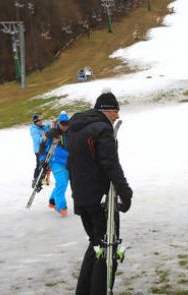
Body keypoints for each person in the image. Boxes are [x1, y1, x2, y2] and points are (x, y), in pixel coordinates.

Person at [67, 89, 132, 295]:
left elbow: (73, 164)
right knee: (107, 248)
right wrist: (125, 192)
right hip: (101, 200)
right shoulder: (102, 129)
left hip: (82, 199)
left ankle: (83, 291)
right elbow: (110, 164)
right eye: (115, 111)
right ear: (106, 110)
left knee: (96, 245)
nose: (117, 116)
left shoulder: (75, 129)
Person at [40, 111, 70, 215]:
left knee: (63, 183)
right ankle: (61, 207)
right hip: (56, 162)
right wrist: (42, 159)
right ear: (59, 123)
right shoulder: (52, 133)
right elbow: (42, 145)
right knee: (62, 182)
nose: (65, 126)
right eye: (63, 123)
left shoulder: (71, 132)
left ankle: (52, 201)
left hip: (69, 162)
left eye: (67, 123)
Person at [29, 114, 51, 180]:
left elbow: (48, 125)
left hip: (45, 149)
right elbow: (37, 140)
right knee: (39, 164)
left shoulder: (42, 127)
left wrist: (53, 123)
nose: (41, 122)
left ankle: (42, 178)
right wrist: (46, 137)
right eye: (39, 121)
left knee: (45, 164)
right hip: (38, 150)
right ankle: (36, 178)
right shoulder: (34, 130)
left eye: (41, 120)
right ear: (36, 122)